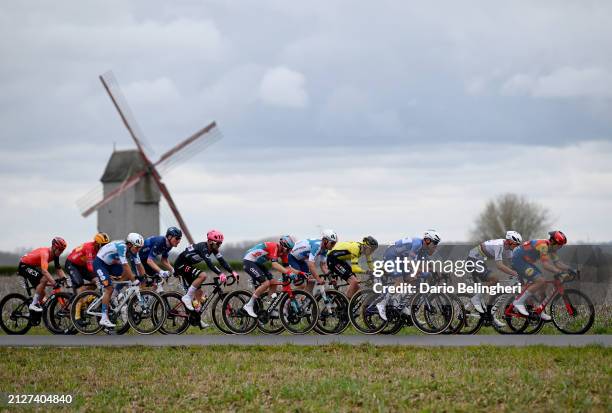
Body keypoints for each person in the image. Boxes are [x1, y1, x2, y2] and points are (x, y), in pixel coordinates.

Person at [377, 230, 441, 321]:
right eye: (435, 243)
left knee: (413, 280)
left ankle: (401, 304)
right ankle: (382, 304)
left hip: (400, 258)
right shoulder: (417, 244)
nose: (436, 245)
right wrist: (419, 270)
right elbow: (409, 262)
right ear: (427, 240)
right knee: (399, 282)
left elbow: (427, 263)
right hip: (391, 255)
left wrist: (436, 272)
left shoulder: (424, 249)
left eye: (437, 243)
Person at [511, 230, 574, 320]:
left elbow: (558, 263)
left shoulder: (552, 248)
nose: (560, 247)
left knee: (544, 284)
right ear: (552, 241)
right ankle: (518, 302)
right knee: (540, 280)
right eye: (559, 245)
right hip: (518, 260)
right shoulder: (543, 246)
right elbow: (546, 265)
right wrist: (559, 272)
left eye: (561, 245)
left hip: (525, 261)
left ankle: (539, 310)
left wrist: (570, 269)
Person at [177, 230, 239, 318]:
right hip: (181, 265)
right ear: (210, 241)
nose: (219, 246)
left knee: (200, 294)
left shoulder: (213, 249)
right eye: (217, 244)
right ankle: (187, 297)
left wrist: (233, 272)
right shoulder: (203, 248)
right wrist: (220, 273)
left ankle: (195, 317)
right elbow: (209, 263)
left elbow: (222, 262)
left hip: (187, 265)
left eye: (220, 244)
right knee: (203, 275)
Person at [93, 233, 145, 328]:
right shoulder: (122, 247)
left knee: (127, 274)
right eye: (137, 247)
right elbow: (125, 265)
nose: (138, 250)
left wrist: (143, 278)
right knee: (109, 288)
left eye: (140, 248)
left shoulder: (134, 251)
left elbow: (139, 266)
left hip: (110, 264)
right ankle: (104, 318)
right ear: (129, 245)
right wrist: (134, 280)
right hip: (100, 263)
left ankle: (113, 295)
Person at [242, 235, 298, 318]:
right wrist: (288, 273)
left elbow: (287, 267)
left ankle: (270, 309)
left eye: (290, 250)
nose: (289, 252)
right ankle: (248, 305)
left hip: (257, 264)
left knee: (273, 283)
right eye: (288, 249)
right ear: (283, 246)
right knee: (266, 283)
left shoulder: (283, 253)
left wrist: (299, 273)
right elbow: (274, 264)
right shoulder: (273, 247)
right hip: (249, 261)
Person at [466, 230, 522, 313]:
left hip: (480, 261)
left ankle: (489, 313)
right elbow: (499, 266)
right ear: (509, 241)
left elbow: (512, 264)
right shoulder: (499, 245)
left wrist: (521, 273)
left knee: (494, 288)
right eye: (515, 244)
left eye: (518, 245)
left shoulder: (508, 249)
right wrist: (515, 273)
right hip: (473, 260)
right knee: (494, 279)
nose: (516, 247)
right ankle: (476, 299)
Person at [19, 237, 68, 312]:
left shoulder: (55, 255)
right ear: (54, 247)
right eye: (60, 250)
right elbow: (44, 271)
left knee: (42, 294)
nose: (61, 252)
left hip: (33, 266)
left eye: (62, 250)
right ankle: (33, 305)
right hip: (24, 265)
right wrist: (54, 283)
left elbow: (58, 269)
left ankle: (34, 313)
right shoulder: (45, 253)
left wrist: (65, 279)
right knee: (44, 279)